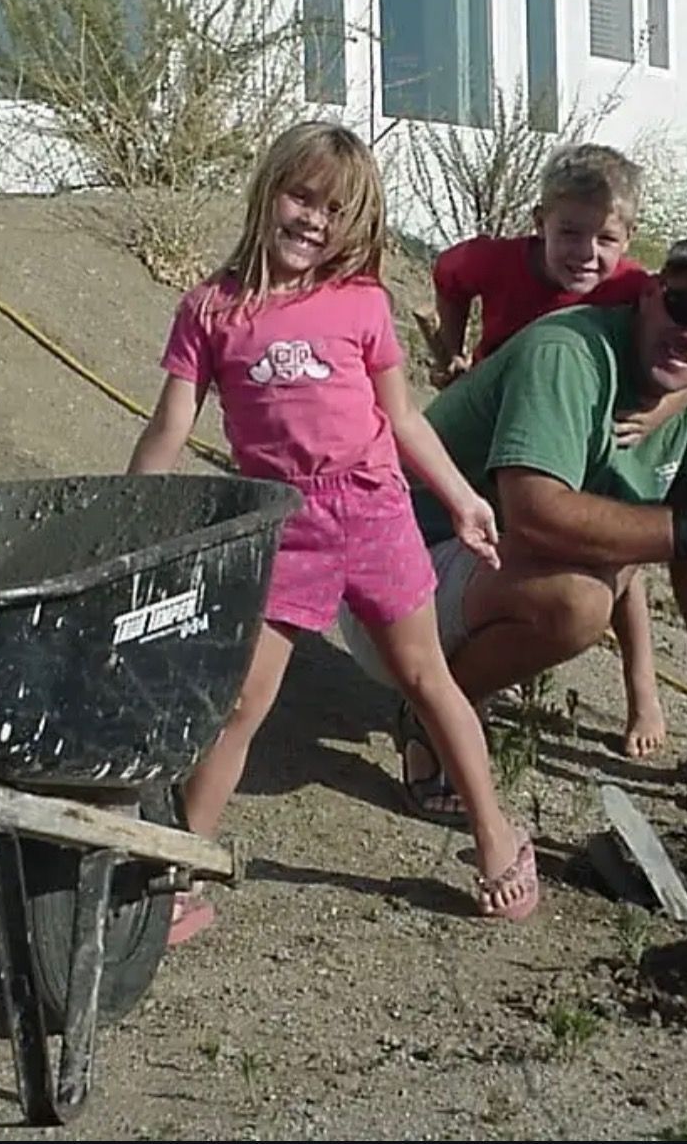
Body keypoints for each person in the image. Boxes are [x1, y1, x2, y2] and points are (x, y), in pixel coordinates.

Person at [127, 121, 539, 942]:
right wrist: (132, 512)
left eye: (334, 208)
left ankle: (496, 837)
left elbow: (404, 418)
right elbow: (172, 420)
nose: (313, 219)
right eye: (301, 195)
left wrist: (460, 500)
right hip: (282, 524)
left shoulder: (360, 303)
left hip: (374, 507)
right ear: (269, 191)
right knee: (243, 698)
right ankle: (179, 870)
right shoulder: (211, 308)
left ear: (354, 224)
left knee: (425, 678)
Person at [339, 230, 687, 818]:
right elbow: (536, 514)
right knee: (581, 599)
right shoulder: (567, 351)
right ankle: (437, 712)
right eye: (683, 307)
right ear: (650, 294)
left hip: (482, 575)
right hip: (391, 591)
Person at [424, 143, 687, 767]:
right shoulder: (497, 261)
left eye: (606, 238)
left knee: (615, 544)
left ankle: (643, 689)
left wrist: (664, 410)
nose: (587, 253)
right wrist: (452, 347)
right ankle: (472, 670)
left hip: (576, 426)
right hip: (500, 421)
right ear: (538, 220)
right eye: (570, 232)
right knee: (495, 540)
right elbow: (449, 277)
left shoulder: (634, 287)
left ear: (628, 238)